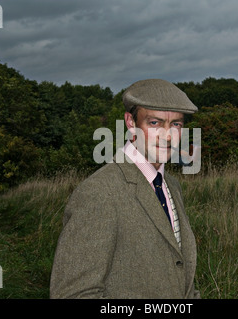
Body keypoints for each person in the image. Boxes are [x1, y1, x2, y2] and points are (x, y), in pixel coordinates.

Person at [50, 79, 200, 299]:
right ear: (130, 122)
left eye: (176, 124)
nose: (168, 136)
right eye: (155, 123)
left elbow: (180, 272)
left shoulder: (172, 186)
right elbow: (72, 294)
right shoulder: (99, 192)